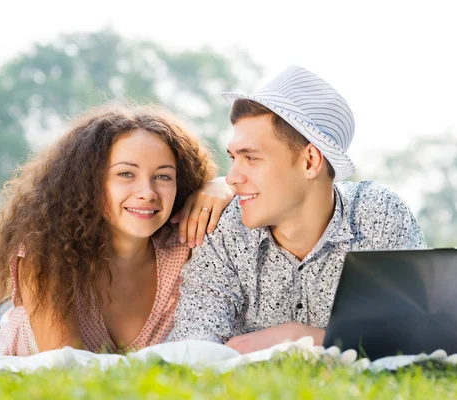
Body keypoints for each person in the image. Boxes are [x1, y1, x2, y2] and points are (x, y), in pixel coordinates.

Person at [169, 65, 427, 353]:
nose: (231, 178)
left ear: (310, 161)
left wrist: (299, 339)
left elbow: (418, 336)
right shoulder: (224, 227)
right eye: (233, 157)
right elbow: (191, 348)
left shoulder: (377, 216)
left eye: (251, 158)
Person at [0, 103, 234, 356]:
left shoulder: (186, 247)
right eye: (126, 174)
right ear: (88, 183)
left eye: (163, 176)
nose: (147, 193)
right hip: (1, 336)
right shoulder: (47, 255)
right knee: (3, 316)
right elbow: (68, 368)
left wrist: (224, 186)